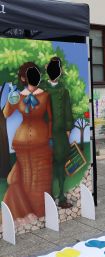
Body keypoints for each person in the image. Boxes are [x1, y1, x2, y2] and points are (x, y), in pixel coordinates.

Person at [3, 62, 53, 222]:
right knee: (32, 176)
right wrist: (11, 99)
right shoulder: (32, 96)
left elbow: (6, 113)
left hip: (31, 140)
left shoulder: (37, 96)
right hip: (32, 141)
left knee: (34, 176)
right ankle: (33, 210)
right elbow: (6, 113)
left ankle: (35, 210)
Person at [45, 57, 74, 209]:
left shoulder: (64, 90)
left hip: (61, 134)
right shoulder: (42, 89)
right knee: (48, 165)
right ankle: (48, 197)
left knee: (61, 164)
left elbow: (68, 111)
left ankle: (61, 197)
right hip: (46, 134)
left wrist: (68, 129)